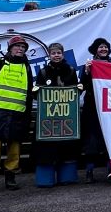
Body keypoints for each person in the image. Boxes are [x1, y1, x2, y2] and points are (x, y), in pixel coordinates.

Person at [0, 36, 34, 193]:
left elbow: (28, 91)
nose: (21, 49)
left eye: (23, 47)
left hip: (17, 114)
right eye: (17, 46)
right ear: (10, 48)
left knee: (14, 150)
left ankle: (11, 177)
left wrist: (27, 112)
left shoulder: (27, 66)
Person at [32, 43, 81, 188]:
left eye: (59, 53)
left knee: (67, 147)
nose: (56, 55)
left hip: (66, 119)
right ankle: (45, 179)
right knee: (46, 149)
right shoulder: (43, 72)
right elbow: (37, 96)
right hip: (48, 120)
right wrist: (35, 91)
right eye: (53, 53)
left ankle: (67, 177)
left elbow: (75, 94)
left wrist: (79, 89)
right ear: (49, 55)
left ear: (63, 54)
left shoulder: (71, 71)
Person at [81, 38, 111, 182]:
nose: (103, 49)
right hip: (92, 108)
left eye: (105, 47)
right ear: (95, 50)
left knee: (110, 139)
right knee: (91, 141)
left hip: (109, 109)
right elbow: (81, 86)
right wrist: (87, 72)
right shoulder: (88, 66)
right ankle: (89, 172)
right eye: (101, 47)